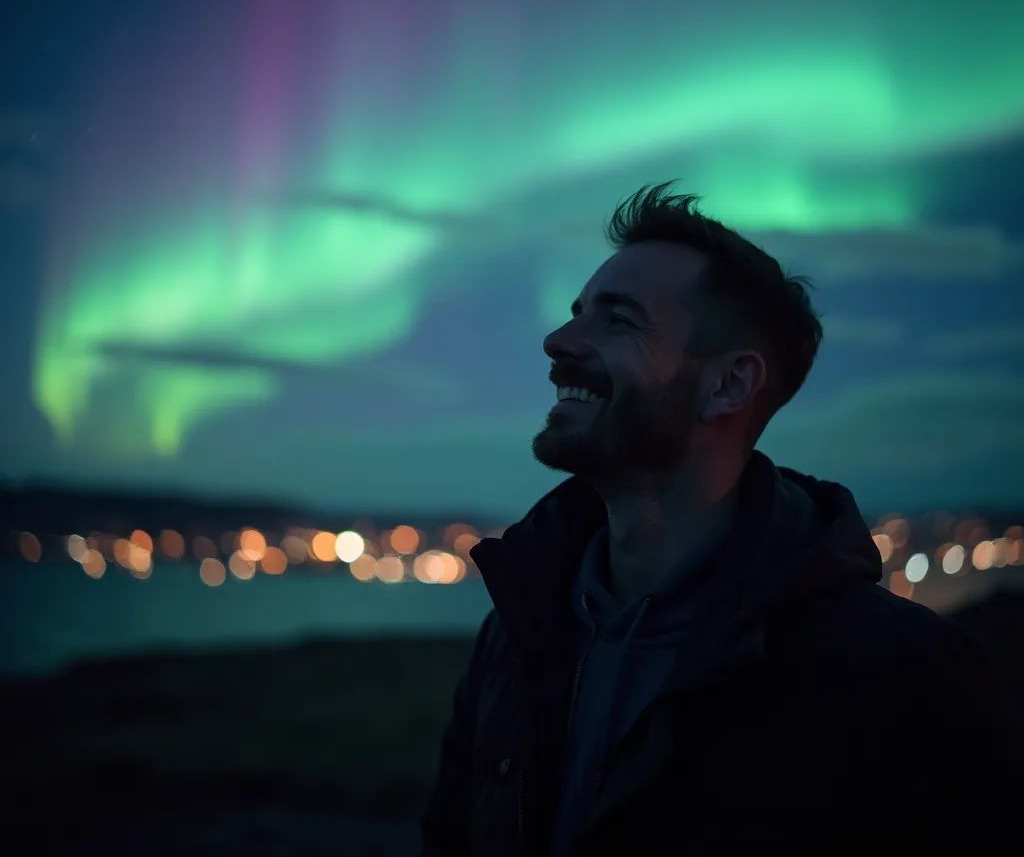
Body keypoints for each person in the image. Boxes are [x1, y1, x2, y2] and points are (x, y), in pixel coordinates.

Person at [420, 182, 1020, 856]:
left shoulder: (906, 676)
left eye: (617, 321)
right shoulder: (516, 632)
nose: (558, 341)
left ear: (729, 385)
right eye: (576, 313)